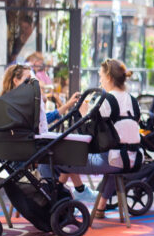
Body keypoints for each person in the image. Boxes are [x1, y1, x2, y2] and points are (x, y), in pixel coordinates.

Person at [39, 58, 143, 217]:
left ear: (108, 77)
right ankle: (99, 206)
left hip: (112, 159)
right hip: (134, 158)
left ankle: (52, 202)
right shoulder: (133, 100)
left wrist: (84, 112)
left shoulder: (107, 100)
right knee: (109, 164)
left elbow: (91, 136)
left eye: (101, 75)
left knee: (52, 160)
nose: (100, 79)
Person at [1, 64, 96, 202]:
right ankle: (66, 192)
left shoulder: (9, 99)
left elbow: (42, 120)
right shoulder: (21, 102)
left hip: (23, 147)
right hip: (25, 150)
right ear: (16, 80)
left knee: (65, 150)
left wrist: (67, 105)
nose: (31, 83)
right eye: (28, 79)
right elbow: (36, 123)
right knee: (67, 152)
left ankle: (69, 191)